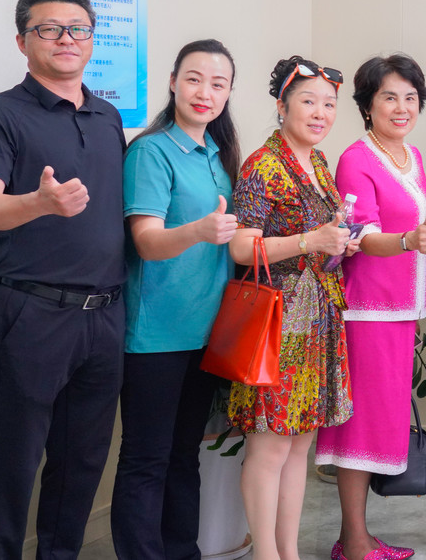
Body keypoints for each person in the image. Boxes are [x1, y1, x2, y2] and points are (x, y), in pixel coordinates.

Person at [0, 0, 127, 560]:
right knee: (10, 465)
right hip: (29, 312)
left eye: (78, 29)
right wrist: (38, 202)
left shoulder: (107, 116)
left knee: (82, 465)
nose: (66, 39)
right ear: (22, 41)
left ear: (92, 40)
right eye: (49, 29)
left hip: (104, 316)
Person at [112, 39, 240, 560]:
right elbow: (146, 241)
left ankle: (182, 551)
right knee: (147, 459)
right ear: (172, 82)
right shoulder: (150, 151)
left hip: (207, 334)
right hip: (156, 335)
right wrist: (200, 231)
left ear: (228, 93)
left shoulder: (218, 155)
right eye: (194, 79)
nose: (205, 92)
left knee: (185, 455)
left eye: (218, 84)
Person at [228, 56, 356, 560]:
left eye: (329, 104)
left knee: (300, 443)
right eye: (308, 101)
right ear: (282, 106)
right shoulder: (262, 165)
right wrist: (310, 241)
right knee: (270, 446)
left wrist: (339, 243)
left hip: (318, 318)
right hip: (278, 324)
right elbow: (242, 247)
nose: (320, 113)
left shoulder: (318, 163)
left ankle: (289, 551)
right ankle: (266, 554)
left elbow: (321, 237)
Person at [316, 54, 426, 560]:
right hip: (367, 311)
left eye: (410, 97)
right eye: (389, 97)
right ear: (368, 105)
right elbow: (361, 235)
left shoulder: (411, 156)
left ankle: (358, 537)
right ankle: (353, 541)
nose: (402, 107)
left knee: (379, 423)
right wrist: (409, 240)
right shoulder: (357, 158)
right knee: (361, 427)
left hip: (401, 310)